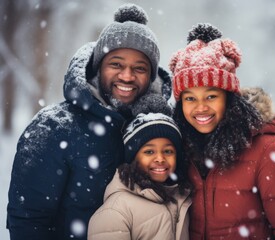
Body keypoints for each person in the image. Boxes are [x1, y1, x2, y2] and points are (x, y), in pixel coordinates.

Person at [7, 4, 171, 240]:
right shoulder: (54, 127)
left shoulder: (159, 127)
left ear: (151, 76)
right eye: (116, 64)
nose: (127, 76)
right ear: (98, 67)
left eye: (139, 68)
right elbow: (29, 220)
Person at [169, 23, 275, 239]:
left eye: (211, 96)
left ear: (229, 99)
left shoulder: (269, 152)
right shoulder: (179, 148)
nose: (200, 107)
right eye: (190, 98)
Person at [88, 108, 192, 240]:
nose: (160, 158)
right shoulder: (116, 211)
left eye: (168, 151)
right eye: (149, 152)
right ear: (133, 158)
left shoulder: (181, 199)